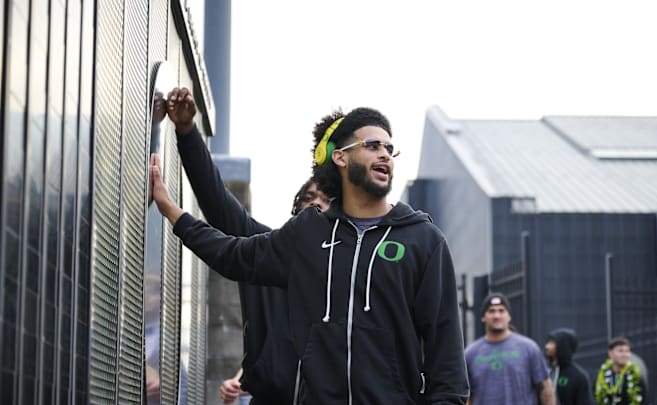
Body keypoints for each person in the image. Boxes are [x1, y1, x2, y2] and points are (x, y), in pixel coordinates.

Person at [151, 106, 469, 404]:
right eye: (373, 144)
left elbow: (446, 354)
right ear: (340, 158)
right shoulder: (304, 236)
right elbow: (231, 251)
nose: (385, 153)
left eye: (389, 148)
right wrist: (174, 212)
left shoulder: (424, 241)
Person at [165, 88, 331, 405]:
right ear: (296, 212)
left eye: (326, 201)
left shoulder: (355, 269)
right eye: (308, 199)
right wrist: (187, 132)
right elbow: (218, 203)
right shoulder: (266, 251)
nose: (316, 206)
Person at [464, 292, 555, 405]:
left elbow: (546, 387)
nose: (496, 315)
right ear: (483, 317)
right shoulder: (470, 353)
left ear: (509, 316)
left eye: (501, 310)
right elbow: (466, 395)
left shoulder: (528, 348)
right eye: (491, 311)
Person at [544, 328, 593, 405]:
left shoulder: (578, 376)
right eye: (548, 342)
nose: (547, 346)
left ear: (563, 346)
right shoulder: (543, 371)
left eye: (552, 343)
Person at [594, 337, 645, 405]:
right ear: (610, 353)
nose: (625, 355)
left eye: (627, 351)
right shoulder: (601, 377)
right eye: (620, 351)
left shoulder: (636, 377)